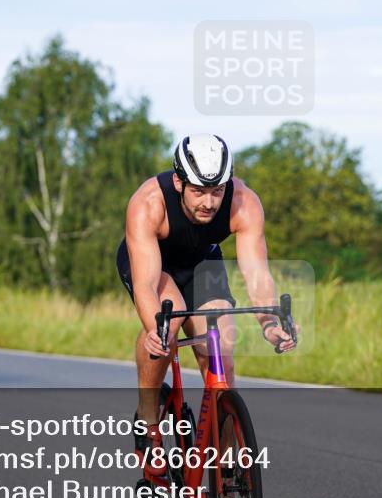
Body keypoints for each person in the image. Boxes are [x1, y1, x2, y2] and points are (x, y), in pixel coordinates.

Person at [116, 134, 298, 462]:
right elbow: (146, 285)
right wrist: (155, 330)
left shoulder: (244, 202)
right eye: (198, 191)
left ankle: (227, 457)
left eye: (216, 192)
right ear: (178, 182)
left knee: (221, 348)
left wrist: (270, 324)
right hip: (154, 264)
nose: (209, 203)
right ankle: (147, 415)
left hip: (202, 264)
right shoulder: (148, 203)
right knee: (167, 327)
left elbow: (257, 273)